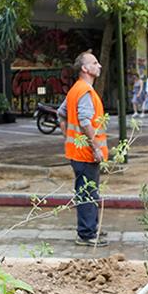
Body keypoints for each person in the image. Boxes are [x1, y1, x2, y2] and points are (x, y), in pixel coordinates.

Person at [57, 51, 109, 247]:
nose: (99, 66)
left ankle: (90, 228)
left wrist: (67, 137)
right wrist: (96, 147)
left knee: (86, 191)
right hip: (86, 154)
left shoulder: (75, 90)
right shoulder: (85, 92)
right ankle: (87, 234)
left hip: (77, 152)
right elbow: (86, 121)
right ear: (85, 69)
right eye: (95, 63)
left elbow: (60, 114)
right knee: (88, 192)